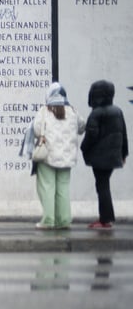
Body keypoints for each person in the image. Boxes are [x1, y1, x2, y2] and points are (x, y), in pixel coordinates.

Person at [32, 82, 85, 230]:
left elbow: (36, 130)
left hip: (47, 156)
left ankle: (49, 220)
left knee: (47, 187)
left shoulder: (44, 111)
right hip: (67, 158)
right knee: (63, 188)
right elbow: (82, 127)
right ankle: (64, 220)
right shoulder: (73, 111)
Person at [81, 80, 129, 229]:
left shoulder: (96, 113)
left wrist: (83, 148)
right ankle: (106, 217)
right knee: (104, 185)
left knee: (102, 187)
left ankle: (105, 219)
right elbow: (124, 134)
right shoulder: (118, 111)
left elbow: (91, 135)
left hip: (99, 158)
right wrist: (124, 153)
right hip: (114, 157)